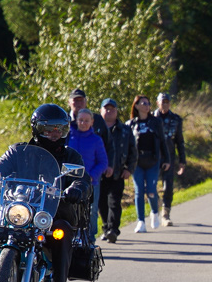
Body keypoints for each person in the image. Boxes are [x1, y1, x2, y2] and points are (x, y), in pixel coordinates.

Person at [0, 104, 92, 282]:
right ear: (37, 129)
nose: (55, 134)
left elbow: (83, 180)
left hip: (52, 213)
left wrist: (77, 188)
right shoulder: (18, 151)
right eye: (49, 129)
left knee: (62, 230)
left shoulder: (71, 156)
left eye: (60, 129)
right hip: (19, 208)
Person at [127, 94, 170, 233]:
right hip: (137, 162)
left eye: (148, 103)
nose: (146, 105)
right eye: (143, 103)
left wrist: (167, 160)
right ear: (137, 106)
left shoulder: (156, 122)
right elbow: (127, 146)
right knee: (139, 191)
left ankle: (154, 212)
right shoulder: (131, 124)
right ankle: (140, 221)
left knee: (151, 190)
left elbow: (163, 142)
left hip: (153, 161)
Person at [99, 98, 138, 243]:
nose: (109, 111)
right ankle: (105, 227)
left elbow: (133, 152)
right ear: (101, 111)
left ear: (116, 111)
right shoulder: (95, 129)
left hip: (118, 173)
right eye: (106, 108)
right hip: (99, 174)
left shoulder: (125, 130)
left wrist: (129, 169)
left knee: (114, 202)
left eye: (112, 109)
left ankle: (113, 230)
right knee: (101, 203)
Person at [67, 108, 109, 239]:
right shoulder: (69, 137)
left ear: (92, 122)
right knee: (70, 210)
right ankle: (72, 237)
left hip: (91, 182)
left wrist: (92, 175)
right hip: (70, 182)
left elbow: (103, 162)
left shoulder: (96, 140)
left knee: (91, 211)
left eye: (86, 120)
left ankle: (90, 237)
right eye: (80, 120)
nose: (83, 123)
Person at [153, 92, 186, 227]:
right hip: (153, 157)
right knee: (149, 186)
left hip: (169, 157)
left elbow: (180, 141)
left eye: (167, 102)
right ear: (157, 103)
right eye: (162, 102)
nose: (164, 104)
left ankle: (165, 214)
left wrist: (182, 161)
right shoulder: (151, 118)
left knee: (168, 186)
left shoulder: (176, 119)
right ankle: (156, 204)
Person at [67, 88, 112, 163]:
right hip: (69, 169)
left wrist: (110, 165)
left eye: (81, 100)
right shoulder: (64, 120)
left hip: (92, 169)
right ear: (69, 102)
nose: (79, 103)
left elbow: (109, 144)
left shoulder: (97, 120)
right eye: (75, 100)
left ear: (85, 102)